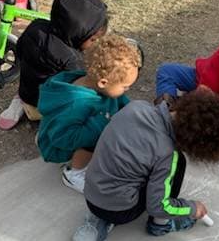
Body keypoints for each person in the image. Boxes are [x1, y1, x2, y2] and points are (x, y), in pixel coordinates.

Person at [72, 89, 219, 241]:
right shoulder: (167, 154)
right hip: (120, 210)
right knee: (177, 163)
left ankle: (99, 219)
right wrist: (191, 208)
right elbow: (158, 206)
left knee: (143, 165)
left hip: (91, 192)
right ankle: (160, 225)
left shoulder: (136, 107)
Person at [36, 34, 142, 193]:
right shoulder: (76, 104)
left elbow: (120, 102)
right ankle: (74, 174)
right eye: (125, 87)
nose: (127, 90)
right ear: (103, 82)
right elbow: (63, 138)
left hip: (66, 131)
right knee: (98, 141)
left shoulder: (99, 86)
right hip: (59, 144)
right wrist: (103, 127)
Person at [0, 0, 108, 130]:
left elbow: (19, 51)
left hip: (25, 91)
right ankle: (47, 128)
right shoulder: (72, 59)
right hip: (43, 108)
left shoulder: (35, 26)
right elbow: (81, 87)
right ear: (77, 32)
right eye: (93, 40)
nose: (95, 44)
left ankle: (20, 102)